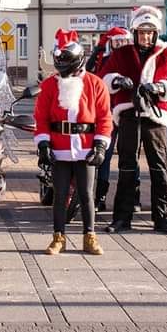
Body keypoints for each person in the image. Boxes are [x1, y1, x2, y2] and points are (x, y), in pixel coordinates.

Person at [99, 6, 167, 234]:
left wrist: (161, 87)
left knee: (159, 167)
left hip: (155, 117)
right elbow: (103, 77)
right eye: (141, 32)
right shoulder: (122, 53)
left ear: (156, 33)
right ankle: (121, 218)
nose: (145, 36)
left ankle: (163, 219)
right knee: (127, 167)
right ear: (135, 32)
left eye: (150, 32)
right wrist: (117, 81)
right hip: (129, 114)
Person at [34, 29, 112, 255]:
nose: (61, 67)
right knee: (59, 195)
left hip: (86, 147)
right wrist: (43, 144)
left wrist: (100, 146)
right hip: (59, 148)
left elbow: (105, 117)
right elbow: (41, 118)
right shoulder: (49, 85)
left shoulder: (95, 84)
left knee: (87, 194)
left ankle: (90, 236)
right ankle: (58, 237)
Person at [91, 27, 132, 211]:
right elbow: (96, 77)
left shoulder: (135, 59)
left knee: (130, 156)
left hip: (128, 113)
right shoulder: (106, 59)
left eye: (124, 41)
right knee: (104, 156)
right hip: (107, 113)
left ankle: (133, 197)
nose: (121, 45)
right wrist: (97, 51)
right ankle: (100, 196)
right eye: (117, 41)